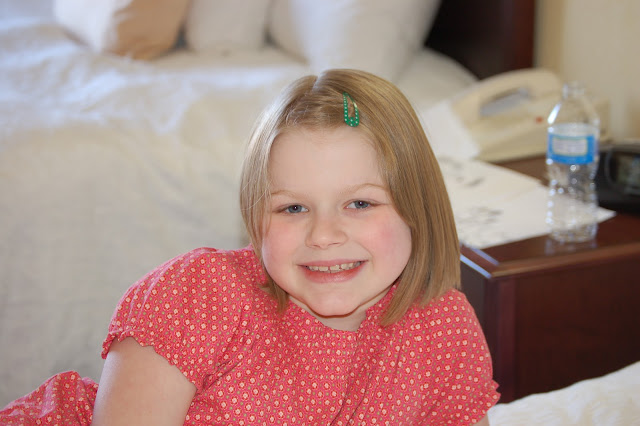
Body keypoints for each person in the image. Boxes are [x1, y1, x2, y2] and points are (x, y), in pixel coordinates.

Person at [0, 69, 499, 425]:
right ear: (255, 219)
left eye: (360, 204)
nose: (324, 235)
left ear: (418, 208)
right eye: (293, 208)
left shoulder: (444, 330)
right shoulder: (198, 295)